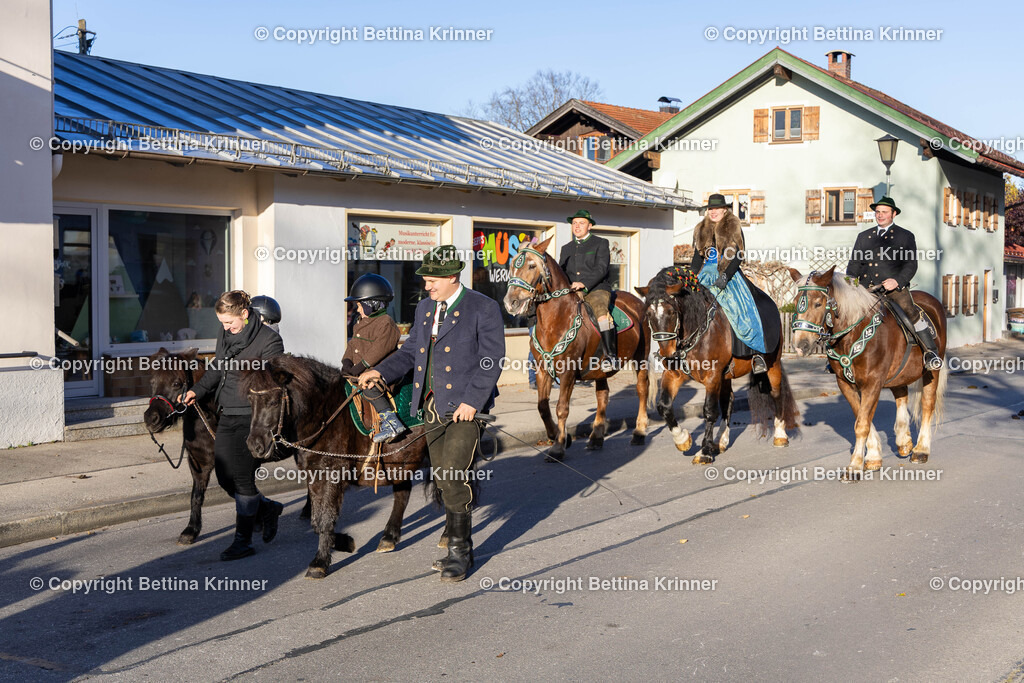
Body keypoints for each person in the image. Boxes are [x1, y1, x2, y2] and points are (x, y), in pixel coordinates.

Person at [358, 245, 504, 583]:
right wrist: (381, 372)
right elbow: (410, 352)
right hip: (431, 407)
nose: (426, 285)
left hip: (466, 410)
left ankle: (460, 552)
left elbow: (492, 359)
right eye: (425, 279)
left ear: (453, 277)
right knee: (441, 475)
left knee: (453, 473)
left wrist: (473, 401)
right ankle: (455, 542)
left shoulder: (483, 307)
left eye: (432, 279)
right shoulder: (426, 308)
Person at [179, 290, 285, 561]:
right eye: (222, 323)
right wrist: (197, 391)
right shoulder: (225, 335)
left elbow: (271, 383)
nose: (226, 328)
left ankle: (243, 540)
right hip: (227, 412)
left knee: (242, 476)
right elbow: (217, 368)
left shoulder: (269, 340)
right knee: (224, 475)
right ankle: (267, 508)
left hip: (253, 418)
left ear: (245, 315)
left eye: (230, 322)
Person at [846, 196, 943, 370]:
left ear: (894, 214)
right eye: (877, 212)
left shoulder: (905, 236)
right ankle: (839, 358)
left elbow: (911, 265)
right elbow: (854, 265)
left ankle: (930, 352)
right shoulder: (864, 236)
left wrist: (897, 281)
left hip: (893, 289)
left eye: (884, 212)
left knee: (911, 311)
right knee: (844, 313)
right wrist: (850, 282)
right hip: (866, 289)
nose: (880, 215)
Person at [690, 193, 776, 373]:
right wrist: (691, 278)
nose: (713, 212)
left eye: (716, 209)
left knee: (741, 309)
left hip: (729, 273)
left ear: (724, 209)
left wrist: (725, 277)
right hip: (705, 274)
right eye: (710, 209)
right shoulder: (700, 228)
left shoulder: (733, 226)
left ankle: (756, 354)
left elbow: (738, 255)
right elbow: (697, 258)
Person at [342, 273, 405, 443]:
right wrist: (346, 362)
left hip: (382, 371)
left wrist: (359, 367)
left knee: (369, 386)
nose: (357, 309)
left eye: (360, 305)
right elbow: (352, 345)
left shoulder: (386, 323)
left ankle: (392, 423)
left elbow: (378, 351)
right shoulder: (360, 321)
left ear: (373, 304)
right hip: (360, 370)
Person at [558, 209, 617, 372]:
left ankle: (610, 356)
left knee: (601, 313)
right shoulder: (566, 248)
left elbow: (601, 268)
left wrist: (583, 283)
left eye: (581, 223)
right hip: (572, 290)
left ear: (589, 226)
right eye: (574, 223)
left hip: (596, 289)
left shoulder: (601, 242)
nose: (577, 226)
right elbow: (561, 272)